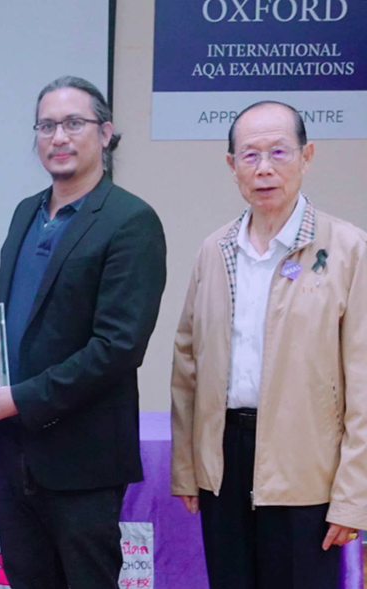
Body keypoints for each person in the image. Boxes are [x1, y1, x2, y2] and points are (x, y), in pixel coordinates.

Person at [0, 76, 167, 588]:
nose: (58, 137)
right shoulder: (25, 213)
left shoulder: (131, 221)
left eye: (73, 123)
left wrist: (24, 398)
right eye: (46, 126)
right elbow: (31, 314)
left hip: (84, 461)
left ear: (105, 133)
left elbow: (118, 346)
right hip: (16, 452)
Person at [171, 101, 367, 589]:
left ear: (306, 156)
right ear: (231, 165)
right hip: (224, 462)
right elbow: (187, 364)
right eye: (250, 155)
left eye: (279, 152)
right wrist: (188, 468)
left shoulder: (348, 250)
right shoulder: (215, 250)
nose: (264, 168)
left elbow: (364, 382)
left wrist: (353, 496)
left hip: (307, 470)